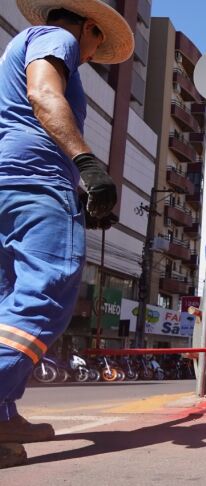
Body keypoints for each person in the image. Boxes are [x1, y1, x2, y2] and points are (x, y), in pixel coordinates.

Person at [0, 0, 133, 468]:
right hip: (36, 180)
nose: (93, 55)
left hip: (10, 181)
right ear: (90, 27)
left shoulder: (18, 46)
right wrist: (87, 164)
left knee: (10, 300)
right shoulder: (59, 40)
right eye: (98, 44)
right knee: (47, 291)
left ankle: (2, 414)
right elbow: (43, 94)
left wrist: (79, 195)